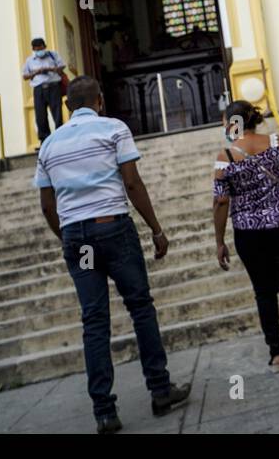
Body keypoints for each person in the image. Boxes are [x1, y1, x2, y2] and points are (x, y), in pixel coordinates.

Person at [35, 75, 189, 432]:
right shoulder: (113, 129)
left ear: (66, 107)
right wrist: (156, 228)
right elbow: (132, 182)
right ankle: (160, 389)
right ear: (100, 101)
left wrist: (69, 236)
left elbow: (47, 205)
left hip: (80, 240)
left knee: (94, 322)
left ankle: (104, 411)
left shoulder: (49, 145)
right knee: (140, 307)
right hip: (113, 230)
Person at [212, 99, 279, 373]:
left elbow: (221, 202)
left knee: (263, 290)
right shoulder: (277, 142)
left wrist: (219, 241)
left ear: (233, 124)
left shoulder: (225, 157)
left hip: (249, 233)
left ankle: (277, 355)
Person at [22, 36, 65, 141]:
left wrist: (49, 69)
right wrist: (36, 72)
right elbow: (25, 76)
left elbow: (62, 66)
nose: (39, 51)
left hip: (53, 86)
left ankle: (60, 136)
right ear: (33, 49)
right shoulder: (29, 60)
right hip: (39, 89)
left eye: (41, 49)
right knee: (40, 114)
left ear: (45, 47)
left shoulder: (53, 55)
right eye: (37, 50)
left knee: (57, 112)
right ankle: (44, 139)